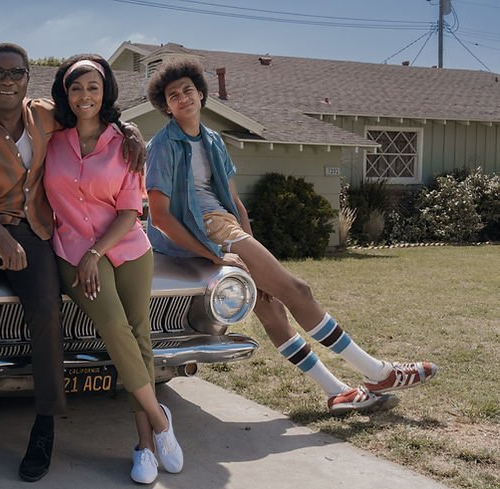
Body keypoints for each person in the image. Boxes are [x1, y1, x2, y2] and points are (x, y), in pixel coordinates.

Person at [144, 58, 437, 416]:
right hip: (203, 232)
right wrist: (216, 256)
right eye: (173, 95)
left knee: (272, 307)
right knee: (298, 291)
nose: (183, 98)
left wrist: (252, 251)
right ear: (166, 106)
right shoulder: (162, 145)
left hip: (226, 227)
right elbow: (160, 217)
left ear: (201, 94)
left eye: (188, 90)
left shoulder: (213, 141)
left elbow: (234, 202)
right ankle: (377, 373)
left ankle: (337, 392)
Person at [0, 43, 145, 482]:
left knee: (47, 310)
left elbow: (91, 110)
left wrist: (128, 129)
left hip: (34, 234)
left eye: (17, 73)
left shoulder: (46, 115)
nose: (8, 81)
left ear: (28, 78)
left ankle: (45, 424)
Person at [43, 54, 183, 484]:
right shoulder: (50, 138)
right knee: (115, 328)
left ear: (105, 93)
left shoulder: (124, 142)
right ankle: (160, 421)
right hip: (73, 252)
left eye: (93, 87)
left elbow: (129, 210)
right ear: (65, 93)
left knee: (139, 337)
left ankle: (145, 446)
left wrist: (97, 252)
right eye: (76, 87)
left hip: (127, 248)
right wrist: (87, 255)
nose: (84, 95)